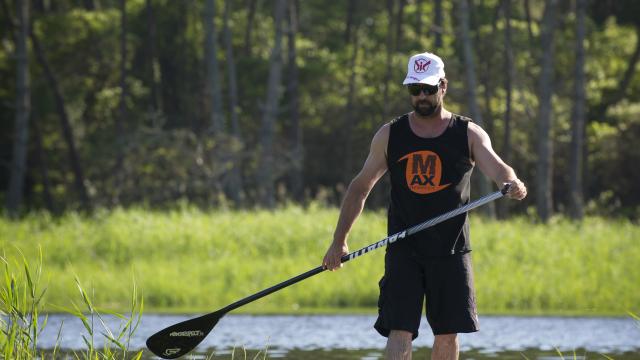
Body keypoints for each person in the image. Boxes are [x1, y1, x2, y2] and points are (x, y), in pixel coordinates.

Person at [322, 51, 527, 360]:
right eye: (414, 90)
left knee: (446, 333)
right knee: (400, 329)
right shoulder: (390, 135)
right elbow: (359, 188)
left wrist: (511, 183)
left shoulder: (467, 133)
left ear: (443, 86)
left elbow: (500, 169)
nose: (421, 96)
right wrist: (339, 242)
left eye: (428, 89)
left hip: (451, 250)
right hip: (404, 248)